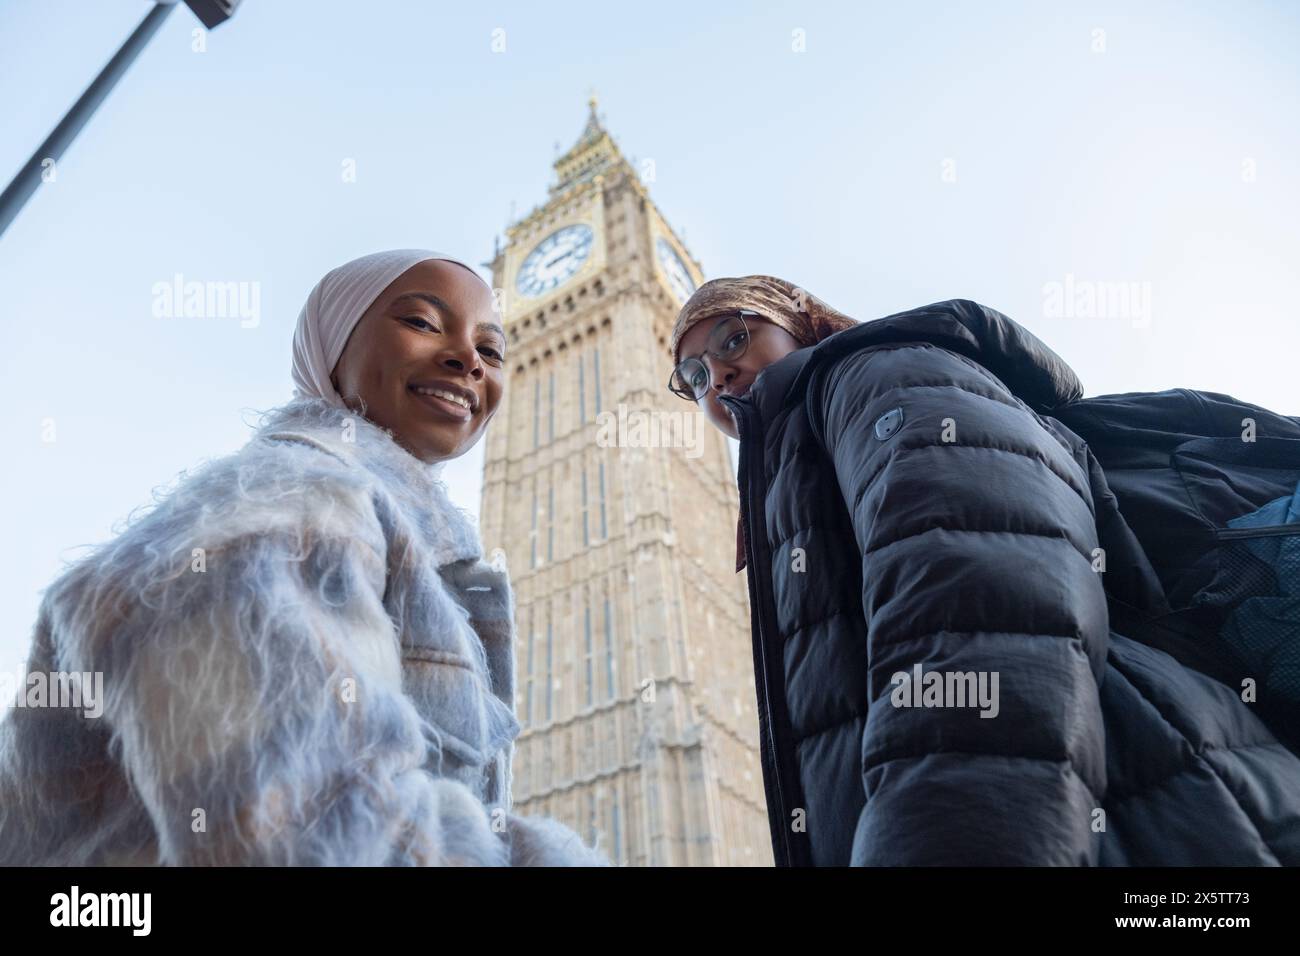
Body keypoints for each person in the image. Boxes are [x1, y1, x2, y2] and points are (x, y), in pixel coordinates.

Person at [0, 249, 608, 866]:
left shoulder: (391, 529)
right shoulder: (291, 502)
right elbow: (304, 829)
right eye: (423, 322)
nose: (468, 359)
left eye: (493, 350)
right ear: (331, 348)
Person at [669, 275, 1300, 866]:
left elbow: (983, 602)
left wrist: (951, 839)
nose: (719, 374)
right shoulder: (793, 476)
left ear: (796, 321)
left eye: (735, 336)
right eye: (694, 375)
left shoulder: (872, 376)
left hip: (1146, 804)